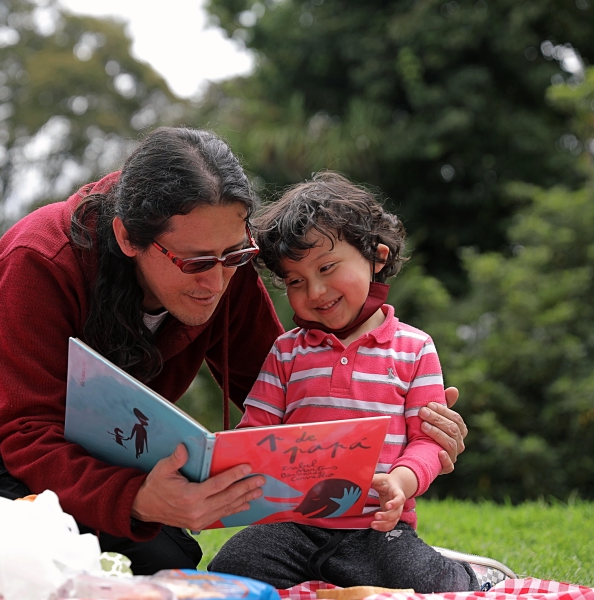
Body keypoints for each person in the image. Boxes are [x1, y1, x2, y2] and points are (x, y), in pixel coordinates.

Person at [0, 128, 470, 583]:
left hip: (81, 445)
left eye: (234, 258)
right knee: (27, 560)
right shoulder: (43, 259)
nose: (216, 283)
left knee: (164, 564)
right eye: (195, 263)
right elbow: (24, 430)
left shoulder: (225, 260)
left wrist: (401, 411)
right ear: (126, 236)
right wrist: (140, 499)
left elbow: (281, 387)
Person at [207, 172, 515, 592]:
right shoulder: (286, 352)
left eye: (327, 268)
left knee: (424, 580)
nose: (314, 291)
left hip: (377, 525)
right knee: (229, 569)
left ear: (377, 257)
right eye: (295, 281)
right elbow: (256, 434)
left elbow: (428, 441)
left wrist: (400, 484)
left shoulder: (415, 348)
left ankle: (472, 575)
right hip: (292, 525)